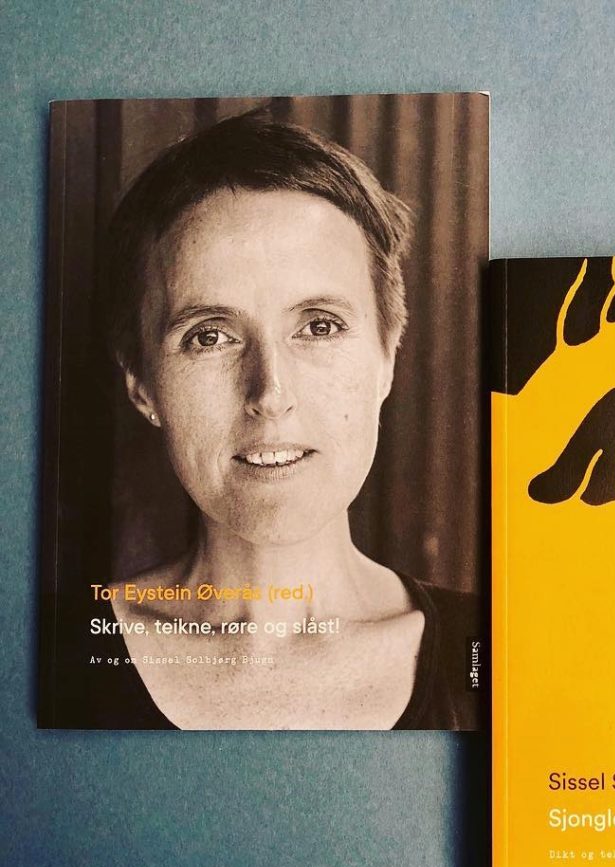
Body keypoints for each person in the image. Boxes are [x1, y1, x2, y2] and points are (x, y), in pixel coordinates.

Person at [71, 110, 480, 730]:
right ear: (142, 384)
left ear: (387, 359)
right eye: (210, 336)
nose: (270, 394)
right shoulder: (51, 658)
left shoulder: (498, 650)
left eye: (319, 326)